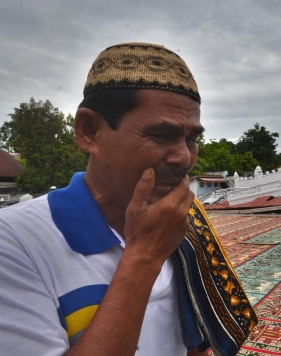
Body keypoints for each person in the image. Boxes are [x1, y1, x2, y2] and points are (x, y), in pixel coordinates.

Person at [0, 42, 257, 356]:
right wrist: (144, 255)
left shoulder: (184, 224)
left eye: (191, 139)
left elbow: (195, 339)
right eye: (161, 135)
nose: (183, 157)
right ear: (89, 131)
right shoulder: (14, 241)